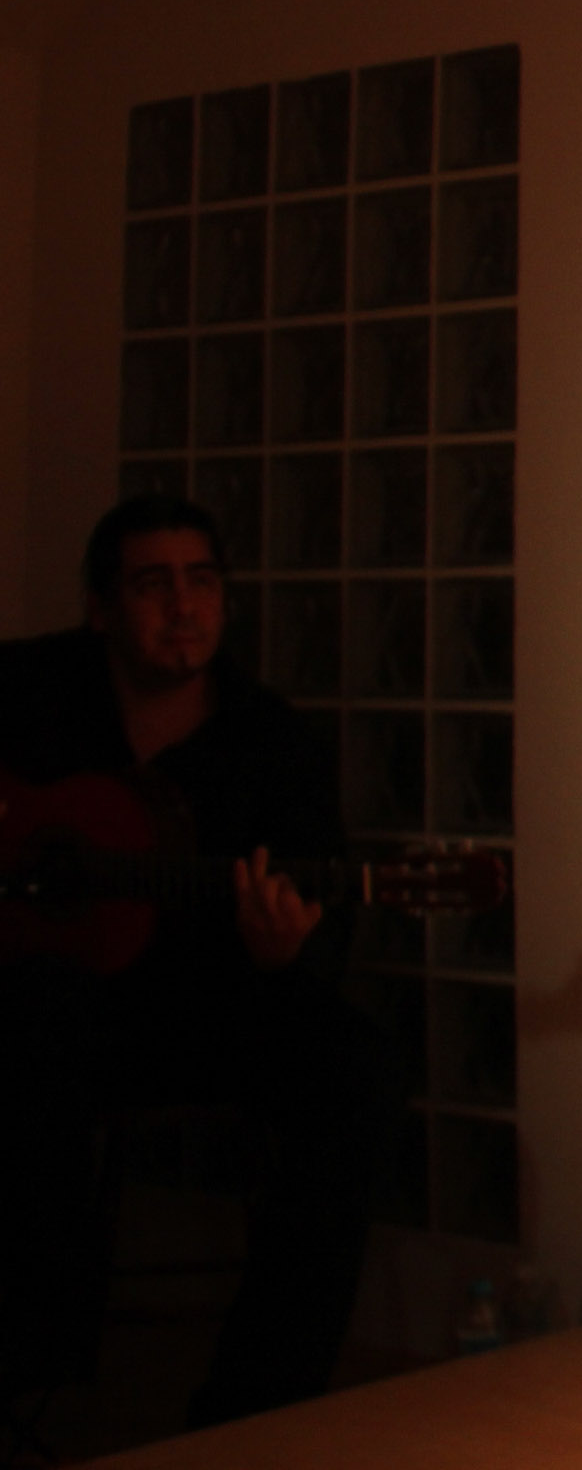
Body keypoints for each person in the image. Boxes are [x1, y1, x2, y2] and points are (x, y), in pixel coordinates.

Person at [0, 496, 394, 1432]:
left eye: (203, 581)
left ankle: (256, 1406)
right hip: (47, 1008)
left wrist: (285, 952)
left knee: (356, 1065)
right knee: (35, 1021)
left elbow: (322, 907)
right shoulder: (28, 689)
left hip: (202, 1013)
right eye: (153, 584)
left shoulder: (270, 739)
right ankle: (24, 1386)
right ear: (101, 608)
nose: (184, 607)